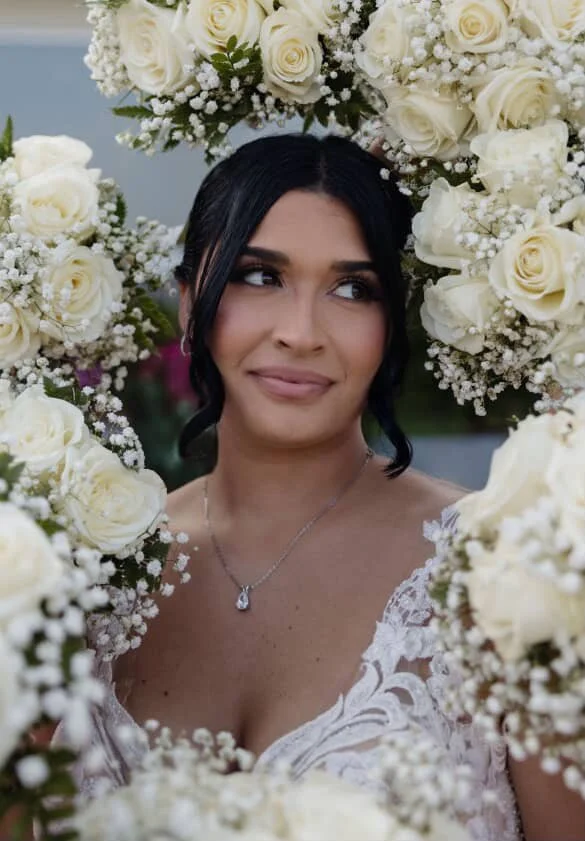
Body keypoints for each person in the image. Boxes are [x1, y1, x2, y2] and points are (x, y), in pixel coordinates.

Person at [81, 134, 583, 840]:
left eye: (352, 289)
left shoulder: (499, 568)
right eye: (260, 276)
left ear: (389, 326)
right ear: (191, 303)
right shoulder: (85, 574)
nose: (300, 331)